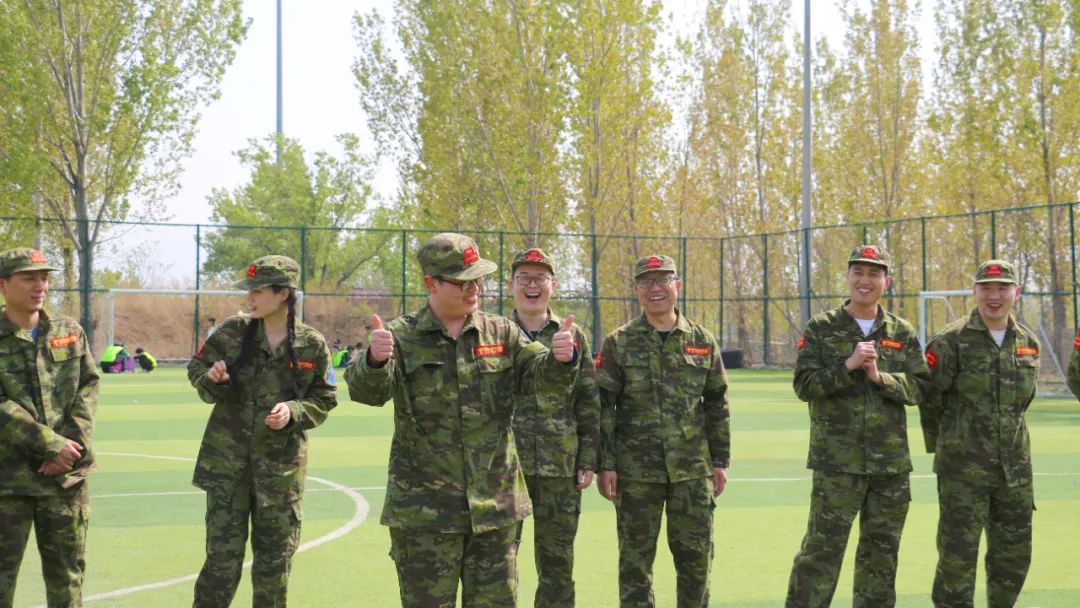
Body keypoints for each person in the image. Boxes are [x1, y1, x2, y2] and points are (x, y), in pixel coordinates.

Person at [345, 233, 578, 607]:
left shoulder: (500, 332)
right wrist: (374, 360)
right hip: (425, 513)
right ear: (431, 284)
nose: (474, 289)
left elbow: (540, 375)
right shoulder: (401, 336)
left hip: (495, 507)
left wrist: (561, 359)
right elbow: (368, 393)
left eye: (478, 279)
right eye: (463, 281)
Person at [186, 255, 337, 607]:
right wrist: (212, 379)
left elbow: (325, 398)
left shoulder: (311, 344)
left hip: (280, 475)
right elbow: (197, 369)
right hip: (228, 468)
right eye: (249, 290)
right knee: (221, 564)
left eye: (258, 290)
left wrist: (293, 411)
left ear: (283, 293)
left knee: (274, 567)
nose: (250, 297)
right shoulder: (232, 332)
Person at [785, 245, 929, 608]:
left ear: (886, 282)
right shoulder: (822, 327)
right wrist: (847, 366)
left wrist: (881, 378)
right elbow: (804, 386)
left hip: (889, 466)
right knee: (820, 551)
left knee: (881, 555)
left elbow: (921, 388)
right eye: (858, 273)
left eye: (874, 274)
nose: (865, 281)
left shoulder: (901, 331)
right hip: (837, 464)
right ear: (848, 277)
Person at [595, 254, 730, 608]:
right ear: (637, 290)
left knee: (696, 561)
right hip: (636, 472)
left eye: (662, 280)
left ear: (677, 286)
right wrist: (606, 464)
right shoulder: (619, 342)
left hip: (692, 471)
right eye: (646, 281)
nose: (655, 288)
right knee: (635, 564)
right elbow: (603, 407)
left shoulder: (702, 340)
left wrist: (720, 461)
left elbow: (717, 403)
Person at [920, 259, 1039, 608]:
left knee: (1013, 557)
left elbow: (1022, 404)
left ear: (1016, 292)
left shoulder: (1028, 343)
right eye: (986, 288)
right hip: (963, 472)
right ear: (974, 291)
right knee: (957, 558)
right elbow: (928, 399)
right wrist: (947, 447)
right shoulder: (949, 341)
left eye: (1003, 288)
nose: (994, 296)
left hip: (1014, 472)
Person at [0, 247, 99, 607]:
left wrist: (69, 448)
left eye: (43, 278)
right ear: (3, 284)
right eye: (28, 278)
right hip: (8, 480)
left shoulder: (68, 331)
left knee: (67, 580)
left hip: (65, 479)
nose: (39, 286)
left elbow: (88, 385)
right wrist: (50, 445)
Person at [507, 248, 600, 607]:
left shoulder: (573, 335)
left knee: (557, 567)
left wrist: (588, 458)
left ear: (553, 285)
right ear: (511, 285)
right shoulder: (492, 333)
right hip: (504, 467)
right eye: (524, 278)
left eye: (540, 278)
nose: (532, 286)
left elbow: (588, 399)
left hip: (559, 466)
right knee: (497, 565)